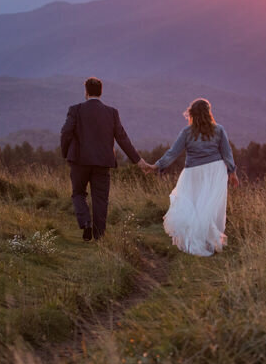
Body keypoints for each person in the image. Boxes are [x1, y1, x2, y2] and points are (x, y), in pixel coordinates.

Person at [60, 77, 149, 241]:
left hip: (79, 161)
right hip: (103, 163)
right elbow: (122, 138)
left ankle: (85, 222)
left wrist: (66, 153)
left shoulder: (76, 110)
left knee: (78, 193)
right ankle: (100, 236)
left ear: (86, 92)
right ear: (101, 92)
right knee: (100, 199)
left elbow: (66, 132)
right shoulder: (111, 113)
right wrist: (138, 161)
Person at [148, 98, 239, 257]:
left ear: (192, 114)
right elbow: (227, 153)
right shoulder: (219, 130)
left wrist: (157, 165)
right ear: (208, 112)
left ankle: (199, 240)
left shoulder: (187, 133)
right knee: (209, 208)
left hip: (193, 173)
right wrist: (232, 172)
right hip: (215, 172)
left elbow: (173, 153)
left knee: (195, 206)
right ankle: (208, 240)